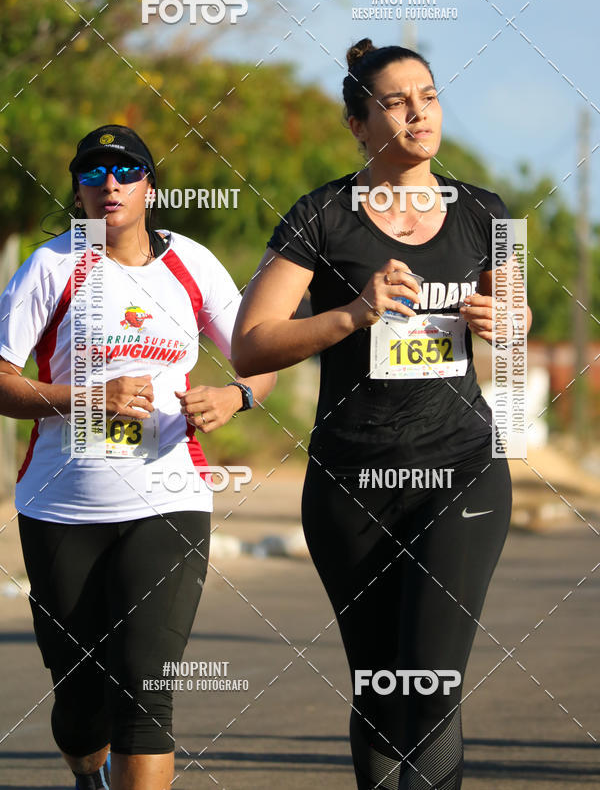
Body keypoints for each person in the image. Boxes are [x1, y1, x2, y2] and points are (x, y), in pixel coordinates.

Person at [232, 40, 532, 789]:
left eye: (427, 95)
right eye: (395, 101)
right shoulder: (321, 215)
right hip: (349, 480)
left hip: (459, 468)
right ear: (358, 124)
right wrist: (353, 314)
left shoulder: (487, 212)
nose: (418, 112)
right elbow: (251, 347)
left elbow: (519, 324)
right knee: (380, 690)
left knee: (428, 685)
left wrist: (508, 324)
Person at [0, 124, 275, 790]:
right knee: (79, 701)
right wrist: (86, 398)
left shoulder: (192, 264)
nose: (109, 185)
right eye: (92, 174)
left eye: (125, 172)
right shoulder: (53, 266)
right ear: (78, 191)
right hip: (60, 505)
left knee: (146, 691)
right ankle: (86, 773)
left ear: (150, 185)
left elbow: (263, 353)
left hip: (170, 499)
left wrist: (236, 396)